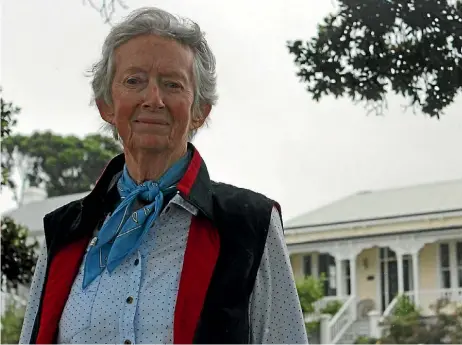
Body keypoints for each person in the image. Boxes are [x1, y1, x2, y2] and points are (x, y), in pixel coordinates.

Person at [19, 7, 307, 344]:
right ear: (106, 105)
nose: (153, 99)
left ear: (199, 111)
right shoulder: (65, 230)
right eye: (134, 81)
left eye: (172, 84)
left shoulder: (250, 225)